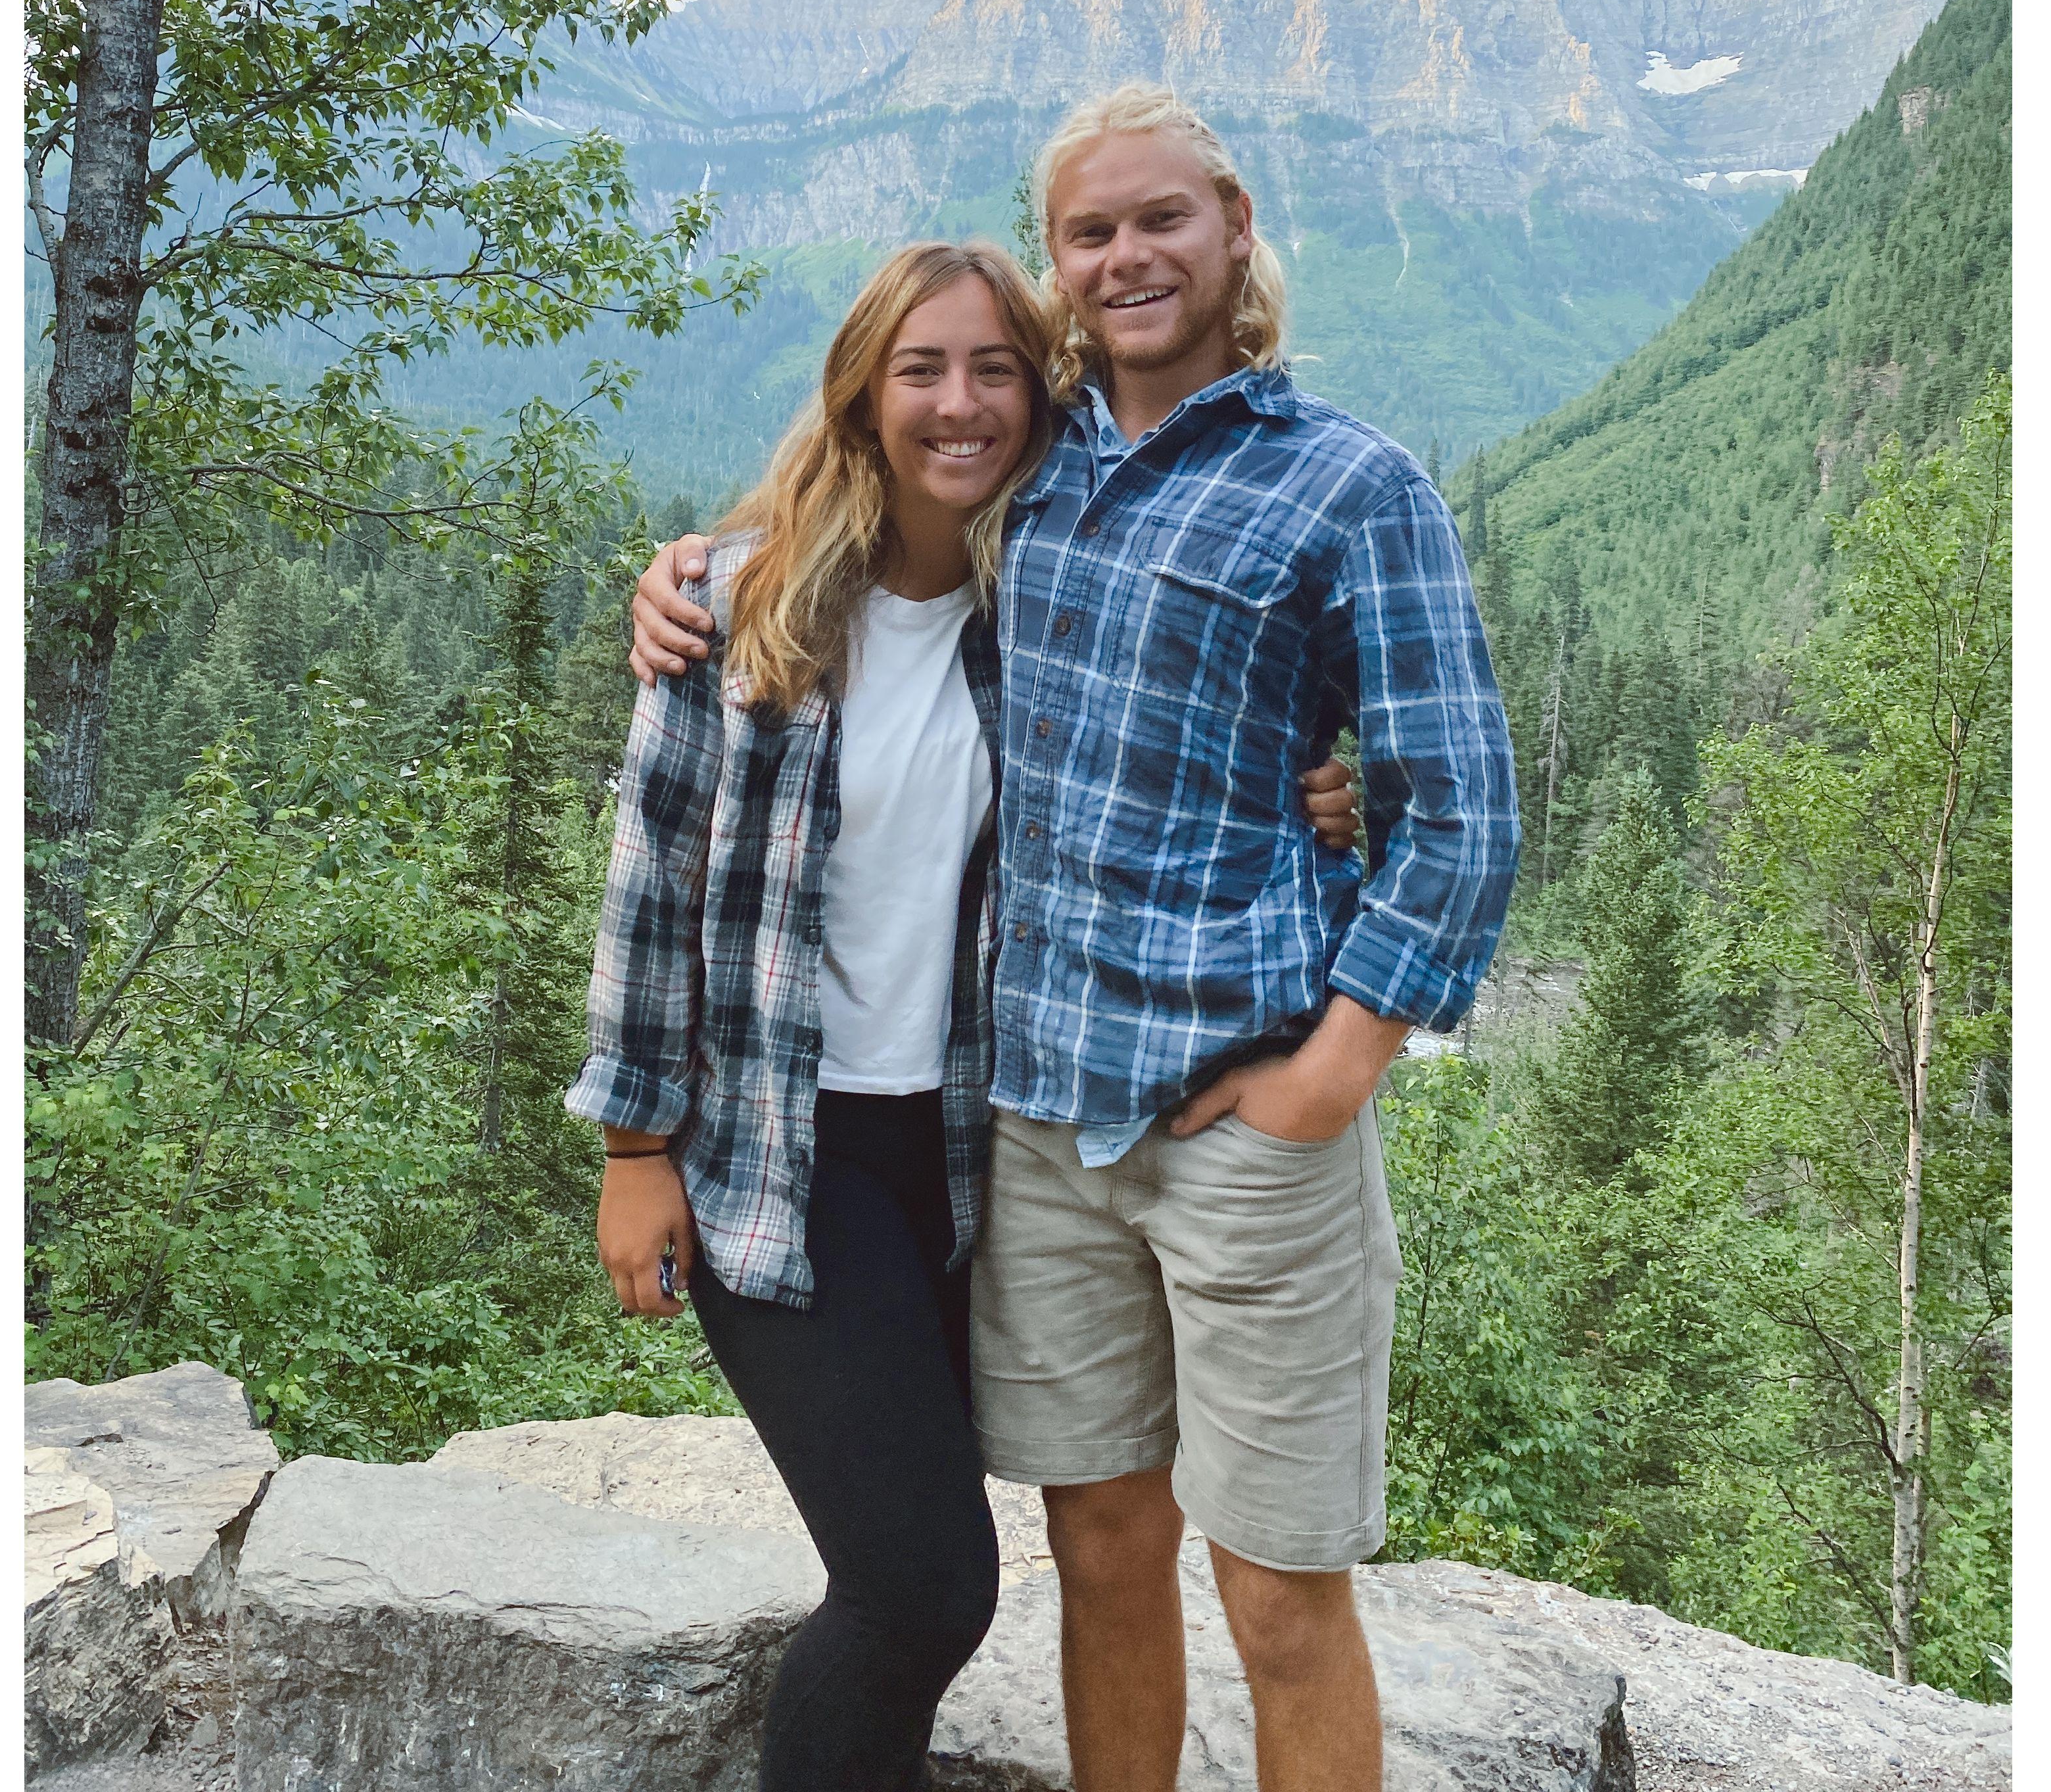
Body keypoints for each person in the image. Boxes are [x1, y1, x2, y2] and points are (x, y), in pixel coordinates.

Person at [630, 87, 1519, 1792]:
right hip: (1033, 1130)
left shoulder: (1349, 487)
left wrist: (1330, 1077)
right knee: (1103, 1555)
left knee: (1276, 1595)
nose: (1127, 258)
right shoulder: (1026, 473)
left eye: (1159, 220)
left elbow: (1457, 808)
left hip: (1240, 1128)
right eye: (1090, 233)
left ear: (1234, 225)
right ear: (1057, 267)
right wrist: (691, 575)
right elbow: (853, 527)